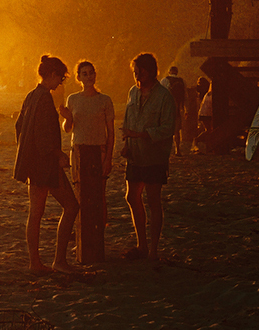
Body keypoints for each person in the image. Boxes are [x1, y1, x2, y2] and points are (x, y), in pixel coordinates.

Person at [13, 55, 79, 274]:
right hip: (46, 165)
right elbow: (43, 136)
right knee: (71, 206)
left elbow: (19, 127)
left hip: (34, 164)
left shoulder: (31, 96)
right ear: (52, 75)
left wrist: (26, 154)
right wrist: (57, 154)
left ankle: (35, 263)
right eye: (59, 79)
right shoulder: (43, 98)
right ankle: (59, 260)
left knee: (36, 212)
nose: (60, 83)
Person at [59, 61, 115, 263]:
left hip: (98, 150)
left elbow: (111, 133)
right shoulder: (73, 99)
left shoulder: (105, 100)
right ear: (79, 77)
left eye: (91, 73)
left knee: (99, 196)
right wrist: (67, 117)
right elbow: (68, 128)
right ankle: (83, 239)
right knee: (80, 196)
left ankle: (98, 238)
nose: (89, 76)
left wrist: (108, 157)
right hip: (79, 151)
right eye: (84, 74)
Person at [122, 53, 175, 262]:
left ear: (150, 71)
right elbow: (128, 120)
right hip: (135, 155)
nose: (137, 74)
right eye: (135, 70)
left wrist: (142, 135)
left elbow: (167, 128)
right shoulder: (132, 93)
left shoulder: (164, 96)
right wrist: (127, 143)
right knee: (131, 197)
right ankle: (141, 245)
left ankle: (153, 249)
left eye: (140, 70)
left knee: (153, 201)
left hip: (154, 156)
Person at [161, 65, 186, 156]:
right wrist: (184, 108)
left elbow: (160, 94)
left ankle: (165, 150)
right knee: (177, 130)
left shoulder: (165, 80)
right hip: (178, 108)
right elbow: (185, 96)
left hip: (167, 108)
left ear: (169, 71)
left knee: (165, 130)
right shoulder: (182, 81)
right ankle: (177, 149)